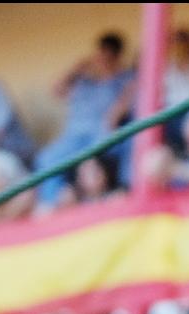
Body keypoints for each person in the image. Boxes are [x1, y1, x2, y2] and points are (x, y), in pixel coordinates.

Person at [35, 33, 136, 208]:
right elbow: (56, 91)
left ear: (117, 57)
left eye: (108, 56)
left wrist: (115, 114)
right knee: (47, 158)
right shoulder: (83, 80)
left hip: (103, 133)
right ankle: (53, 203)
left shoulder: (125, 78)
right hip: (74, 137)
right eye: (101, 55)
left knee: (129, 144)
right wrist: (76, 69)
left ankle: (125, 192)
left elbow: (124, 106)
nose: (103, 61)